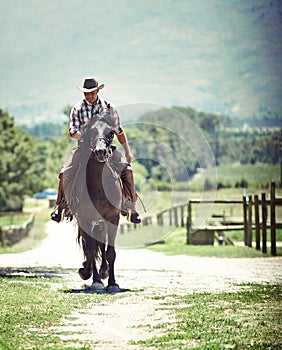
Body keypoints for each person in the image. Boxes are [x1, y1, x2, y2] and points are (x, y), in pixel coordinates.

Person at [51, 77, 141, 224]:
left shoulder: (109, 107)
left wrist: (127, 150)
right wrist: (88, 137)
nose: (89, 95)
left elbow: (118, 130)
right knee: (65, 172)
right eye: (86, 93)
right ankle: (61, 205)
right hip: (84, 148)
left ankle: (130, 206)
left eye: (92, 92)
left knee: (128, 171)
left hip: (107, 148)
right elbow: (73, 131)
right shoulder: (78, 108)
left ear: (98, 90)